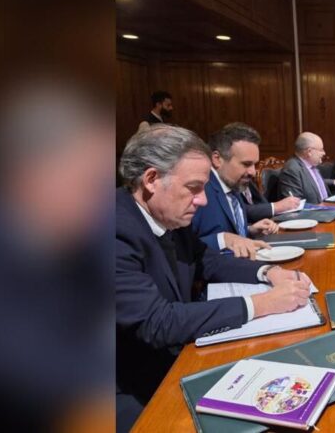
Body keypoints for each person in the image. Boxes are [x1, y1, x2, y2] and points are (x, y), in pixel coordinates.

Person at [116, 125, 313, 431]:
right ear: (152, 179)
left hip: (173, 357)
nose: (203, 201)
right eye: (193, 188)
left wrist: (269, 271)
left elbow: (207, 260)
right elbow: (157, 323)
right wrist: (262, 304)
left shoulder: (166, 214)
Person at [192, 122, 300, 258]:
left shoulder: (233, 183)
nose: (253, 172)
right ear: (217, 159)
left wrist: (249, 230)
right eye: (246, 164)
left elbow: (233, 234)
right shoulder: (199, 191)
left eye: (254, 164)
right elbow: (182, 249)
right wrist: (223, 239)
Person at [271, 132, 335, 204]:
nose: (324, 153)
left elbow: (312, 183)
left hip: (327, 209)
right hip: (313, 214)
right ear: (309, 152)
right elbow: (295, 204)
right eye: (321, 150)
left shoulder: (310, 166)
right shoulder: (292, 169)